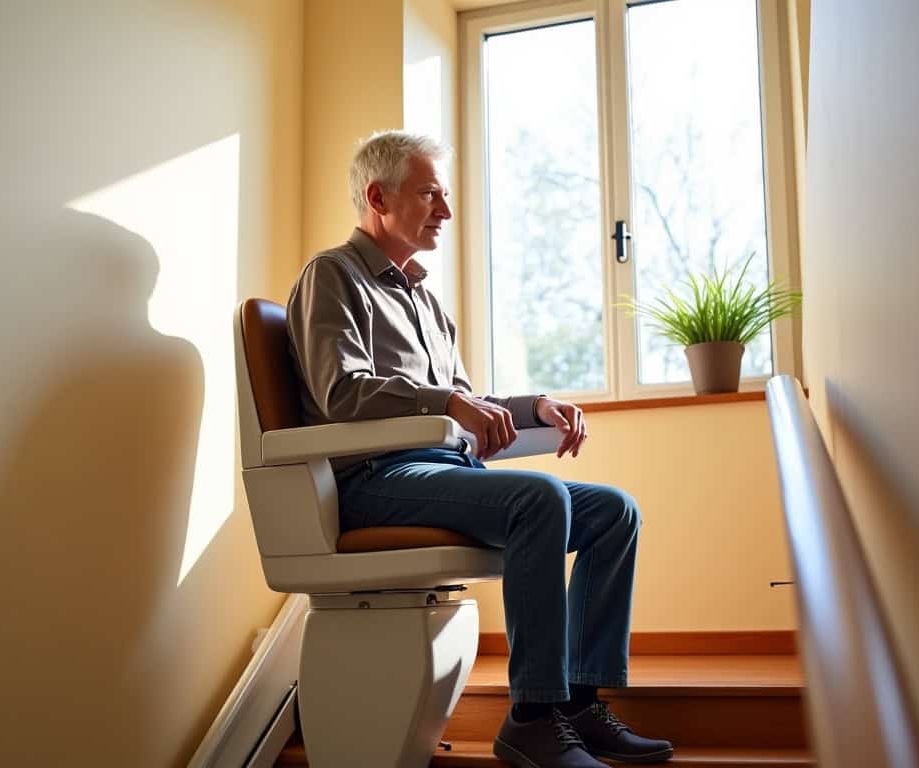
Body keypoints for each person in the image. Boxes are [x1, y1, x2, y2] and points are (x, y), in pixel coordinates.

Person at [286, 131, 673, 767]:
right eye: (429, 194)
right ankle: (533, 719)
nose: (445, 209)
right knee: (539, 498)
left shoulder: (425, 300)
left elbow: (467, 404)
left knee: (614, 511)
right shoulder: (332, 276)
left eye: (443, 196)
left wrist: (534, 407)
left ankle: (579, 704)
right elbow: (341, 392)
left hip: (443, 469)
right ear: (377, 198)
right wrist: (446, 402)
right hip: (374, 480)